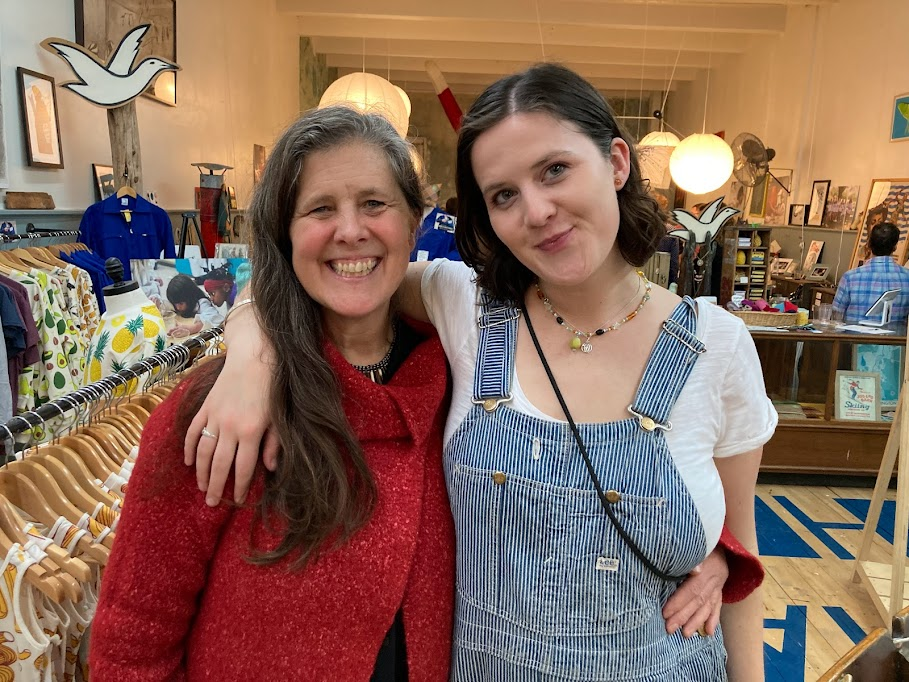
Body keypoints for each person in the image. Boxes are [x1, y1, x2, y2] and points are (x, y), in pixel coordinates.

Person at [189, 65, 774, 680]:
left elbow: (742, 552)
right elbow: (329, 277)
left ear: (618, 162)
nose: (538, 210)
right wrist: (253, 357)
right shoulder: (464, 308)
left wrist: (722, 571)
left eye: (555, 169)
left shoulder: (718, 347)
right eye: (503, 195)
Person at [90, 107, 457, 679]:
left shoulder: (462, 381)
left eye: (374, 203)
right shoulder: (219, 406)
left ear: (415, 222)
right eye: (319, 209)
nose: (351, 230)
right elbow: (134, 637)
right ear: (285, 234)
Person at [832, 221, 909, 322]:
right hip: (894, 337)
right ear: (894, 247)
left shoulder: (850, 277)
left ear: (869, 244)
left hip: (852, 337)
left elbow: (836, 315)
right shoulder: (907, 277)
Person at [410, 183, 461, 262]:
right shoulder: (405, 217)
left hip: (435, 271)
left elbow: (459, 250)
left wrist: (440, 266)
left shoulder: (445, 220)